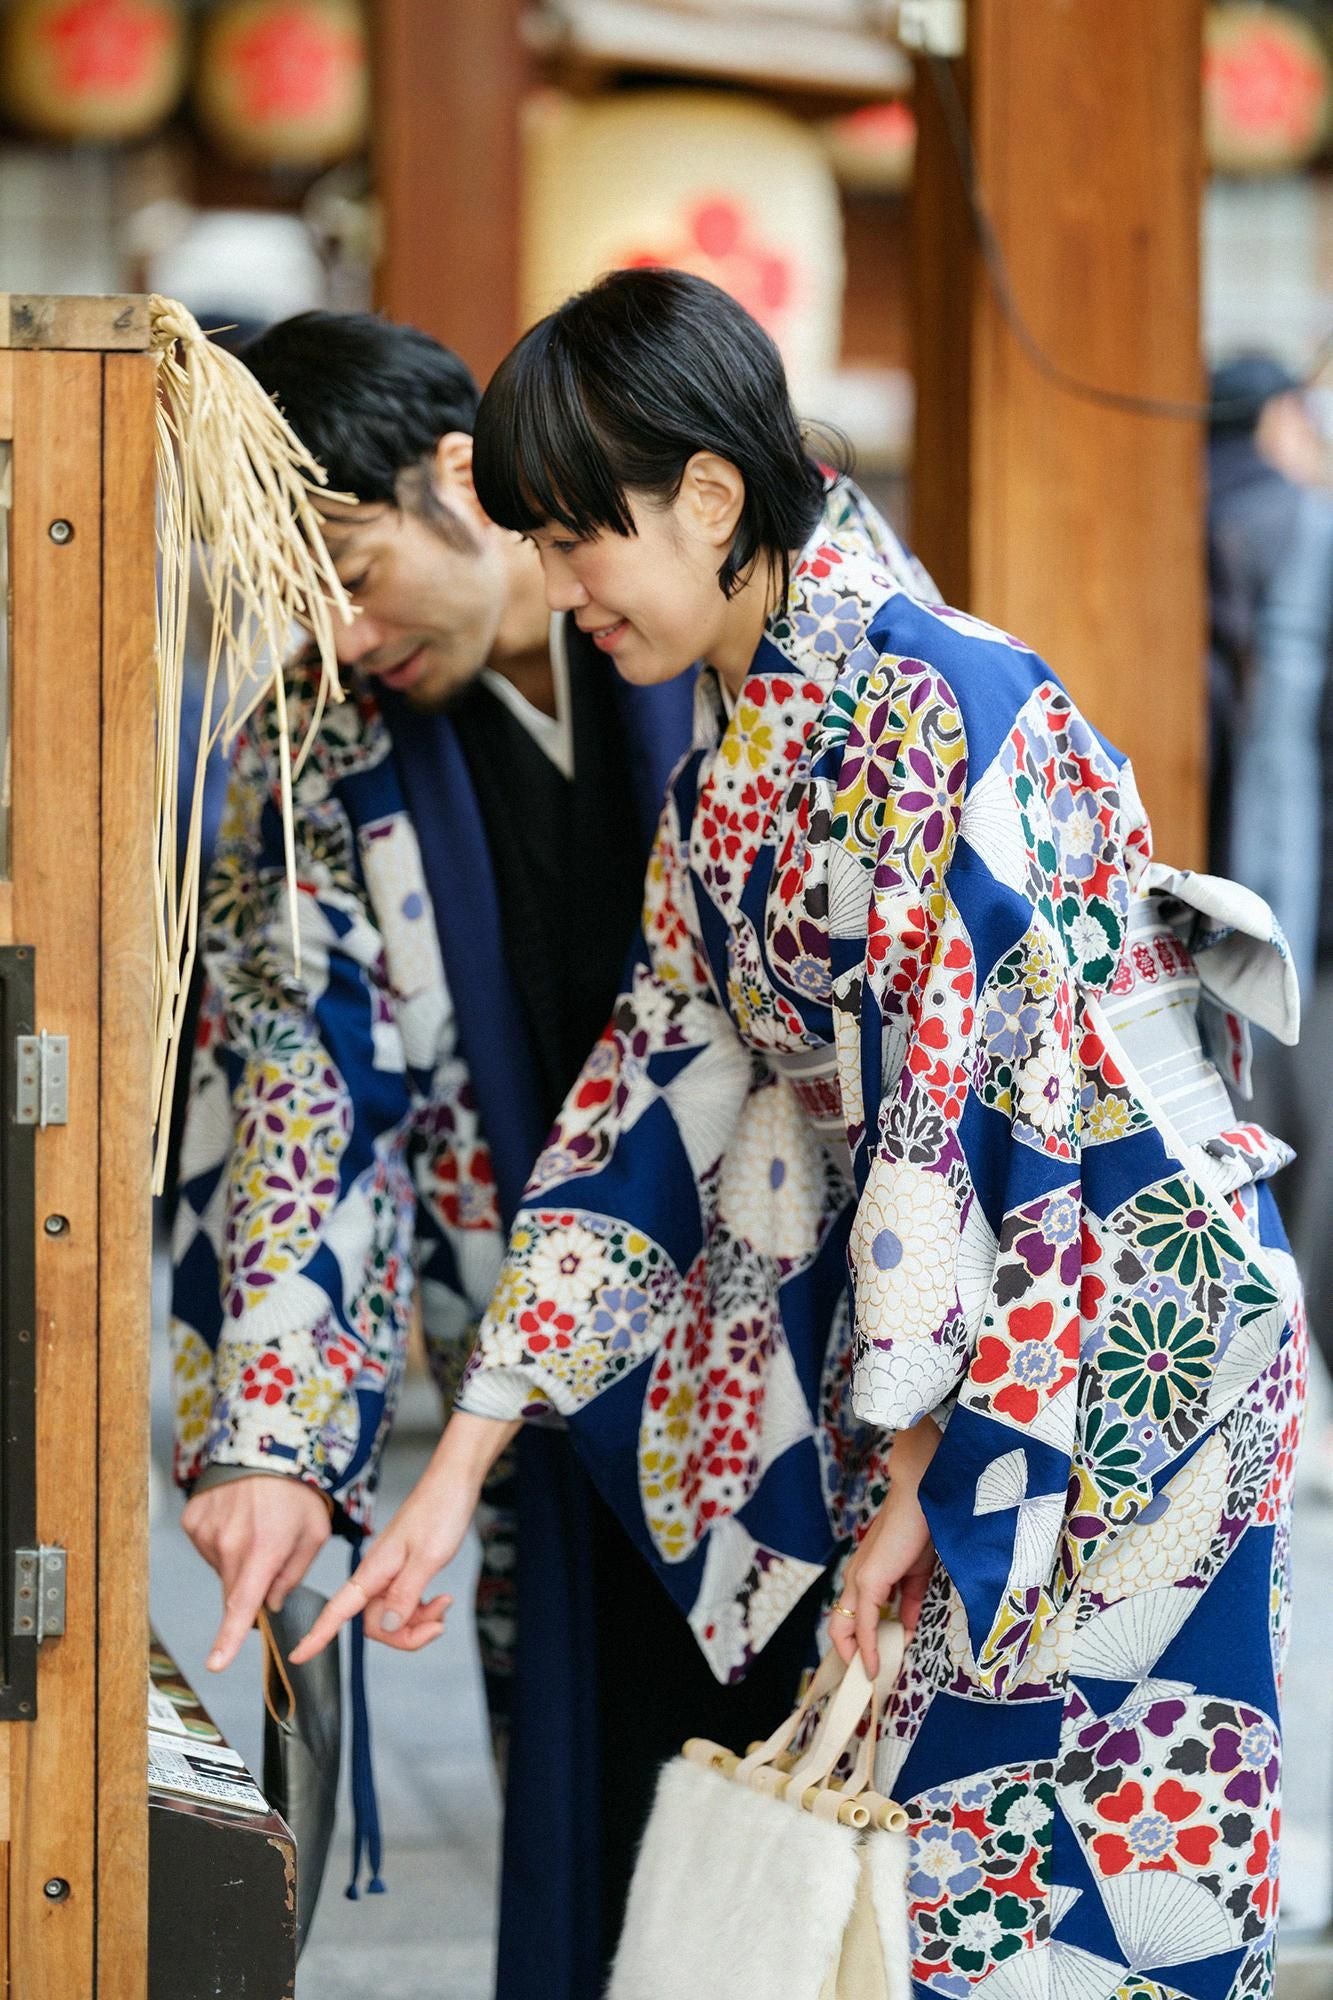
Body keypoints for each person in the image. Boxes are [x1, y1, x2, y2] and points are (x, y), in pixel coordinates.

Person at [299, 270, 1304, 1998]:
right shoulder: (734, 764)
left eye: (574, 540)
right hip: (987, 1349)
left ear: (704, 497)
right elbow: (640, 1104)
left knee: (1057, 1909)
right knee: (942, 1898)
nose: (560, 589)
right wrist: (454, 1468)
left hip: (1119, 1352)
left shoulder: (938, 703)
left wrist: (917, 1465)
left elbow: (968, 1102)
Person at [168, 310, 823, 1992]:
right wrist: (275, 1439)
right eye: (283, 592)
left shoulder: (754, 609)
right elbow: (312, 1094)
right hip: (545, 1363)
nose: (332, 624)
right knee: (602, 1832)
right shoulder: (317, 741)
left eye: (351, 561)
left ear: (459, 479)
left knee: (837, 1833)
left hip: (816, 1337)